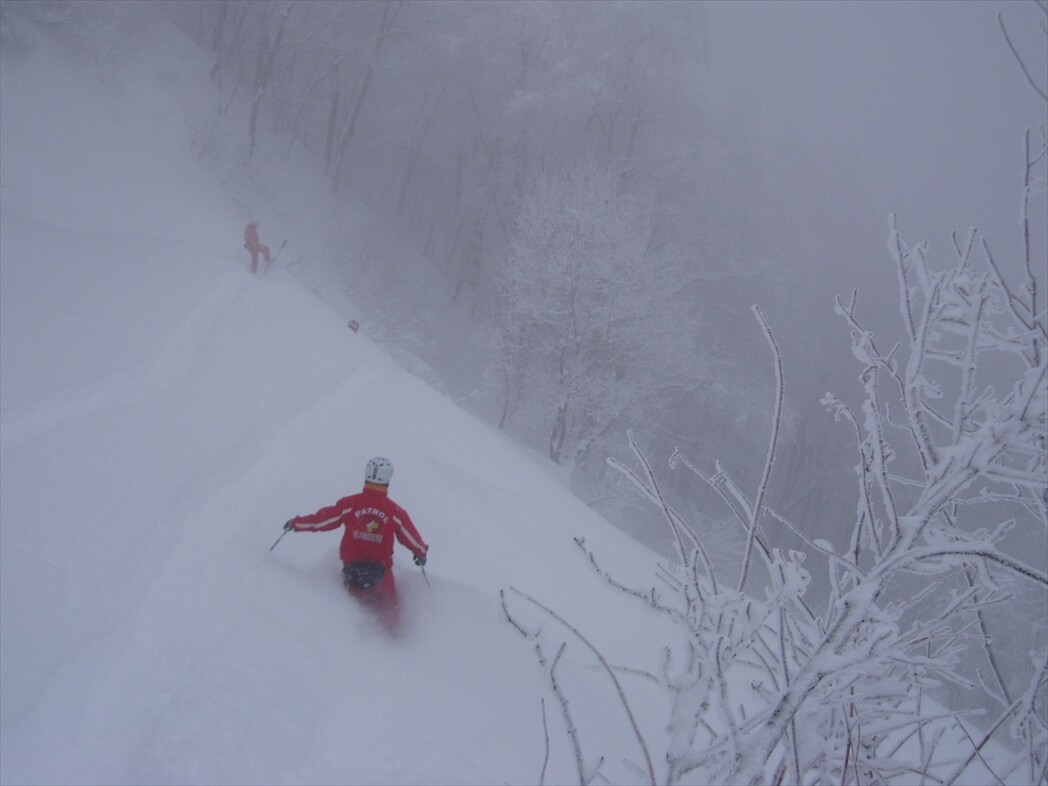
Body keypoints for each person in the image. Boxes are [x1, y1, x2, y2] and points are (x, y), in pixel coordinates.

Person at [283, 457, 428, 632]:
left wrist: (296, 523)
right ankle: (391, 645)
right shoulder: (394, 512)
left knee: (350, 613)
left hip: (353, 571)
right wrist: (420, 553)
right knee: (390, 612)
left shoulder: (351, 504)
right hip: (382, 573)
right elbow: (412, 538)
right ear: (388, 479)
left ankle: (351, 644)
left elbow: (321, 521)